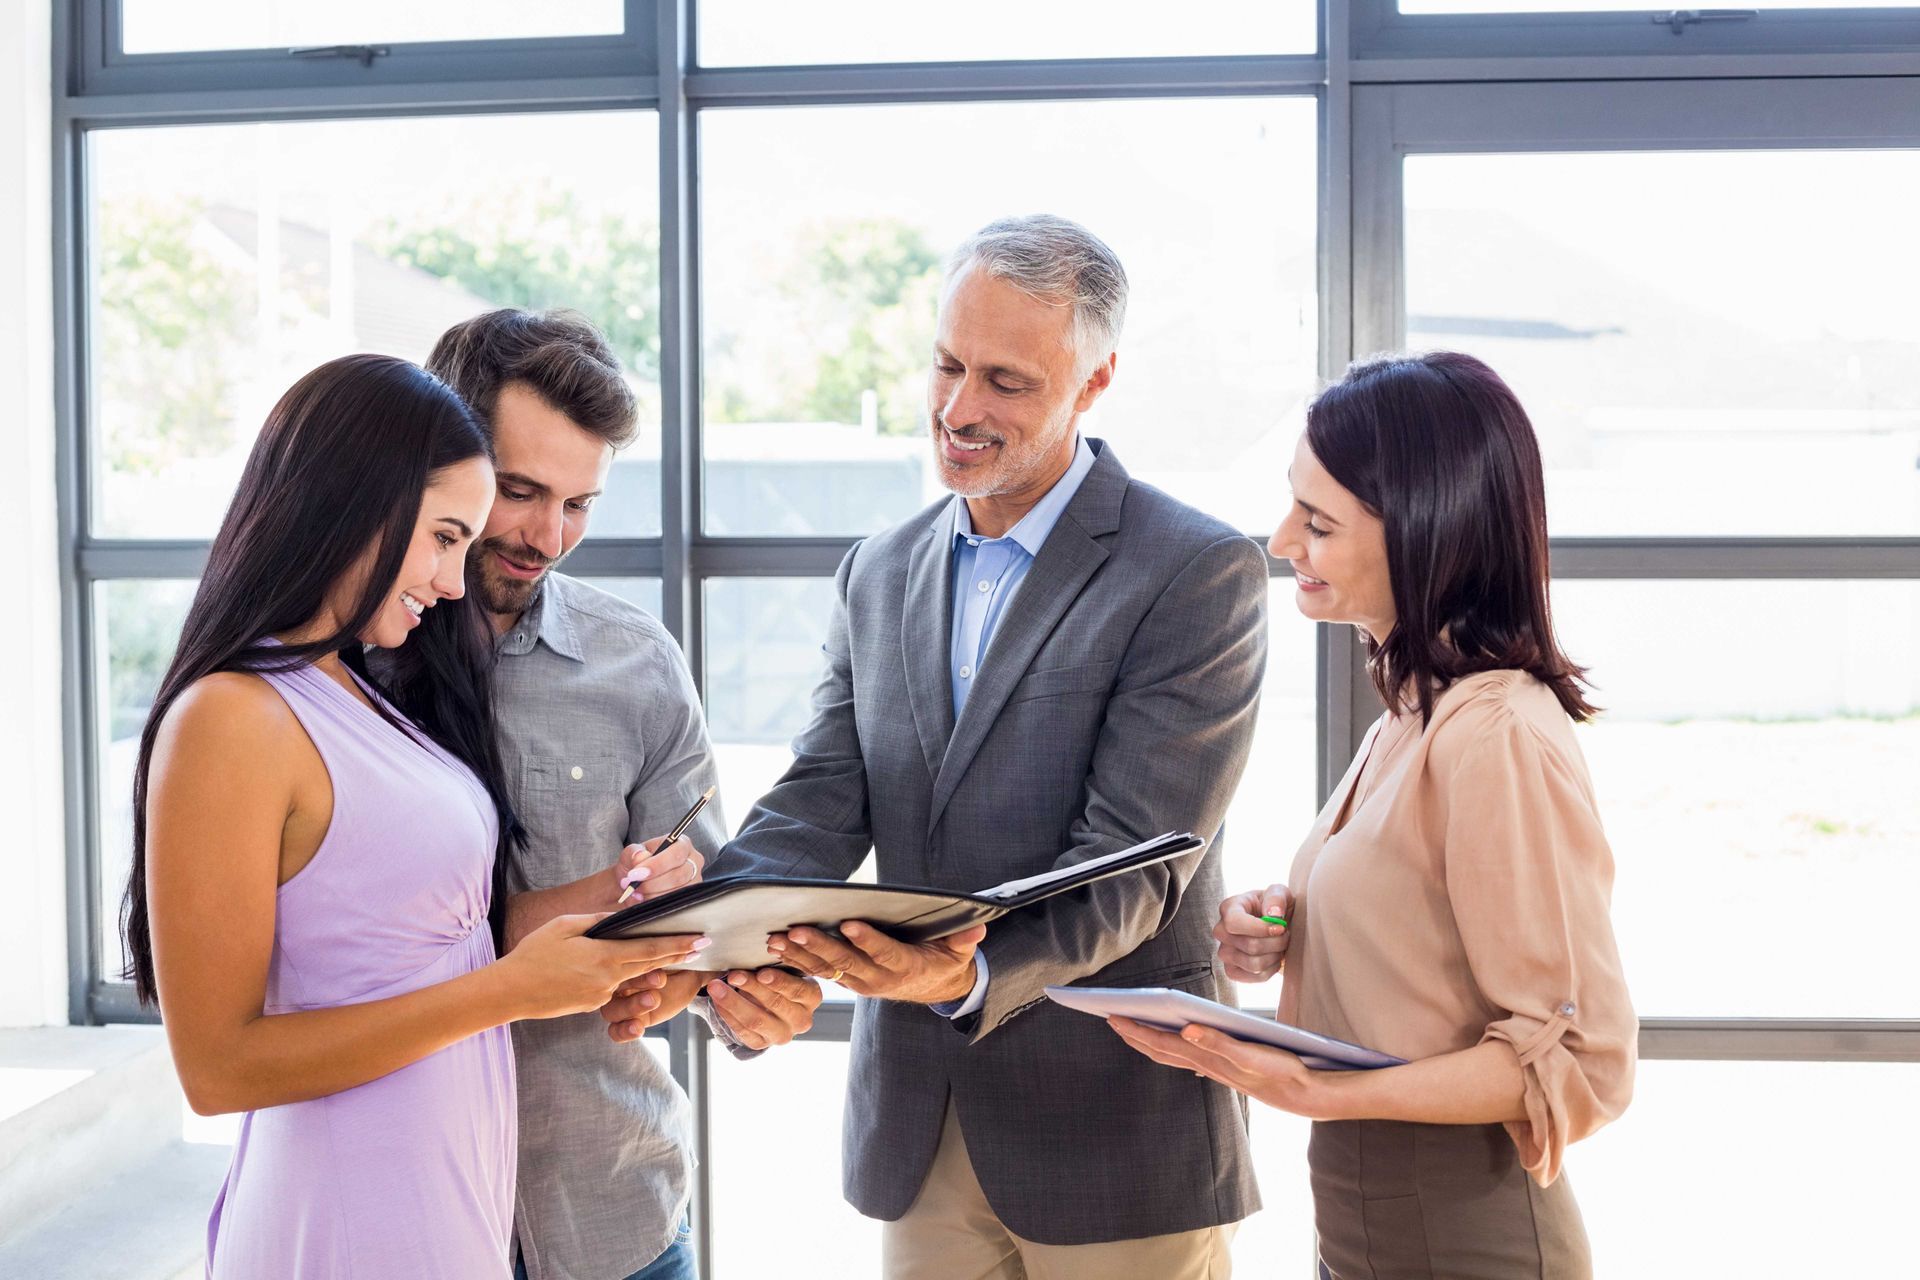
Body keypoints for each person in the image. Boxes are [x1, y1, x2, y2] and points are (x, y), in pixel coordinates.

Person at [679, 215, 1268, 1278]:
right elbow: (818, 792)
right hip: (919, 1123)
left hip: (1117, 1134)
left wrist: (959, 972)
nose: (958, 409)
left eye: (1006, 379)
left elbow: (1137, 856)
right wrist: (714, 940)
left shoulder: (1195, 570)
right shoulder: (880, 567)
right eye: (947, 363)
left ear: (1094, 382)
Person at [123, 353, 706, 1279]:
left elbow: (422, 932)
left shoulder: (350, 690)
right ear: (355, 502)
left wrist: (614, 897)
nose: (449, 579)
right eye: (443, 536)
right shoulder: (231, 717)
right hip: (356, 1204)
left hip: (447, 1198)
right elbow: (218, 1069)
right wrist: (513, 991)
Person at [1108, 352, 1637, 1280]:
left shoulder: (1495, 733)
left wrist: (1319, 1093)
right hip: (1367, 1222)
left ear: (1429, 534)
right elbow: (1423, 944)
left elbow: (1577, 1061)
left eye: (1318, 522)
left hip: (1465, 1231)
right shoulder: (1414, 714)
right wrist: (1290, 928)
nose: (1281, 542)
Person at [416, 308, 824, 1280]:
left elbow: (711, 926)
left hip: (610, 1213)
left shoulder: (636, 662)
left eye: (579, 504)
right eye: (519, 492)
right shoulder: (349, 667)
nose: (546, 536)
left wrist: (701, 967)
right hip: (403, 1207)